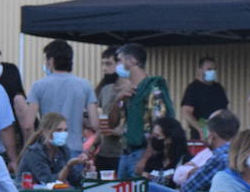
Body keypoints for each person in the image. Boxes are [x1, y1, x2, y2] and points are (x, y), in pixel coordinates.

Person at [109, 42, 175, 181]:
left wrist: (144, 159)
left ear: (133, 60)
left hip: (142, 153)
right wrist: (117, 100)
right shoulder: (127, 91)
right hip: (125, 152)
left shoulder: (153, 90)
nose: (117, 66)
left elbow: (159, 129)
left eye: (120, 60)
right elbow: (112, 123)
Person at [27, 39, 99, 157]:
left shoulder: (38, 85)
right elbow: (95, 124)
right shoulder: (85, 85)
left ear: (51, 61)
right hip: (75, 147)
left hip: (48, 149)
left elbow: (28, 124)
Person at [179, 57, 228, 141]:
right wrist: (200, 128)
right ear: (200, 70)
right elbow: (186, 112)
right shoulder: (193, 88)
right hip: (200, 135)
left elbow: (225, 110)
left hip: (219, 133)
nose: (212, 72)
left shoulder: (218, 88)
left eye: (214, 69)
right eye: (209, 69)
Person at [92, 47, 124, 173]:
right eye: (103, 64)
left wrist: (118, 131)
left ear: (119, 64)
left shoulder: (129, 89)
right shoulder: (105, 89)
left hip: (121, 152)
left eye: (108, 64)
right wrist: (95, 142)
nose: (104, 68)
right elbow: (102, 118)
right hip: (104, 151)